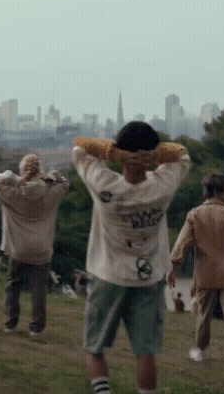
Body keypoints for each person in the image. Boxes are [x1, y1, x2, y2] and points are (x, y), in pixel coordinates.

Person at [74, 122, 190, 394]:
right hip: (148, 278)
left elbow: (80, 146)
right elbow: (182, 153)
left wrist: (119, 155)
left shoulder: (103, 184)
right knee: (145, 352)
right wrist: (153, 156)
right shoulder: (162, 187)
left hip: (108, 274)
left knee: (95, 347)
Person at [168, 172, 224, 381]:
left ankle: (201, 350)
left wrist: (174, 266)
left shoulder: (195, 215)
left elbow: (182, 243)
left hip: (205, 274)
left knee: (203, 314)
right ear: (220, 190)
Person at [0, 153, 69, 336]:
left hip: (17, 247)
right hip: (42, 247)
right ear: (40, 170)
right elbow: (63, 183)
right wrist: (50, 177)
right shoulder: (50, 192)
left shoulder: (13, 193)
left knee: (13, 285)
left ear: (22, 170)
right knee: (38, 288)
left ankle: (11, 323)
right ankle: (37, 327)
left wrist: (11, 177)